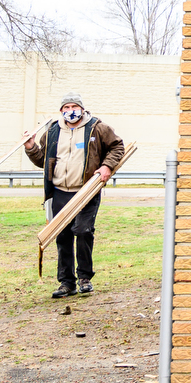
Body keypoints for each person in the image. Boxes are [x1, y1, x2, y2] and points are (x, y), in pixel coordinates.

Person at [24, 93, 125, 298]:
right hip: (60, 190)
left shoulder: (97, 128)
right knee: (63, 235)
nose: (71, 110)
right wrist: (31, 148)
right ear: (61, 111)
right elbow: (43, 161)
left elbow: (117, 147)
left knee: (83, 230)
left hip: (86, 190)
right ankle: (66, 283)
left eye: (74, 106)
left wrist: (106, 167)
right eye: (66, 107)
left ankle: (84, 278)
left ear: (82, 108)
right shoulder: (52, 131)